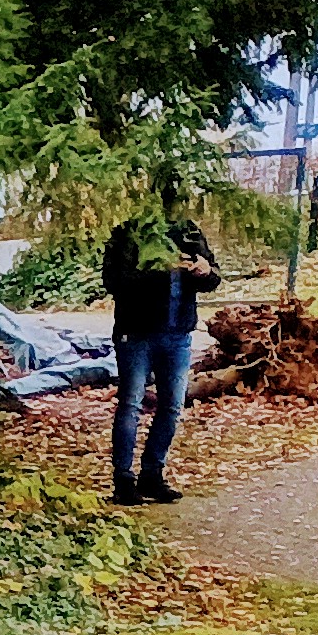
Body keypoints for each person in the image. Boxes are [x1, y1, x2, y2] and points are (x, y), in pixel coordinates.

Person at [100, 200, 221, 503]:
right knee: (131, 404)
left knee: (172, 406)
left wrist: (205, 271)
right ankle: (124, 480)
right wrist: (161, 271)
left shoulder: (187, 230)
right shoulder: (129, 233)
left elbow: (213, 278)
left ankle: (152, 474)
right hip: (136, 333)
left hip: (178, 334)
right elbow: (114, 282)